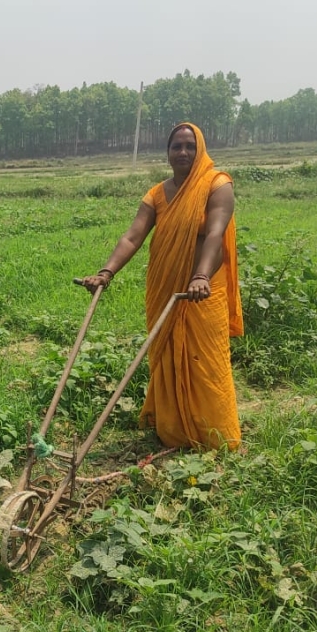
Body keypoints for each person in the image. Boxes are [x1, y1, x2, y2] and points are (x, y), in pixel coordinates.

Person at [78, 122, 243, 450]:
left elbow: (214, 234)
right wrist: (106, 272)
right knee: (166, 356)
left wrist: (200, 276)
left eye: (189, 146)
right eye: (176, 146)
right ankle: (172, 432)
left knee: (205, 361)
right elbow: (132, 236)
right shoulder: (157, 193)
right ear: (167, 153)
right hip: (166, 287)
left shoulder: (217, 185)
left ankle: (216, 437)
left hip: (204, 289)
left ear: (201, 149)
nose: (183, 152)